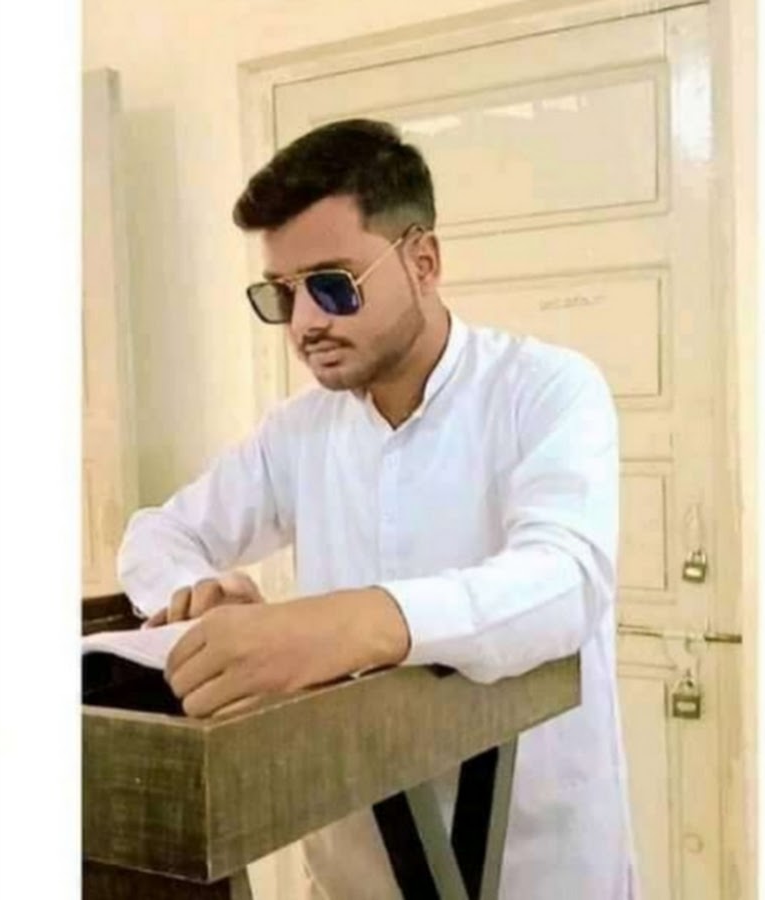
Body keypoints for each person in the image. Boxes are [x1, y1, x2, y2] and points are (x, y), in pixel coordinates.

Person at [118, 118, 638, 899]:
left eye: (333, 284)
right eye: (282, 294)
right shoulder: (299, 433)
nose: (305, 323)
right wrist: (192, 595)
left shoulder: (546, 391)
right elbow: (155, 535)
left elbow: (566, 582)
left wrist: (349, 625)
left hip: (537, 862)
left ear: (422, 261)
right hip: (354, 869)